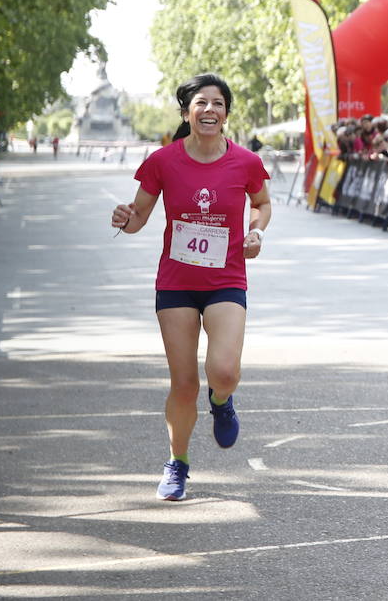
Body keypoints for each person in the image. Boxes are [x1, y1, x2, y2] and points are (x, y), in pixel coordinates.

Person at [109, 73, 271, 502]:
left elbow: (262, 203)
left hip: (226, 279)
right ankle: (177, 464)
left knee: (224, 372)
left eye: (218, 104)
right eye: (201, 103)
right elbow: (140, 215)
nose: (210, 110)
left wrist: (256, 232)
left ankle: (223, 401)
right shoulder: (163, 161)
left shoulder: (246, 163)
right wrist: (126, 219)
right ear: (187, 112)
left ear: (226, 114)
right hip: (177, 284)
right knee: (183, 384)